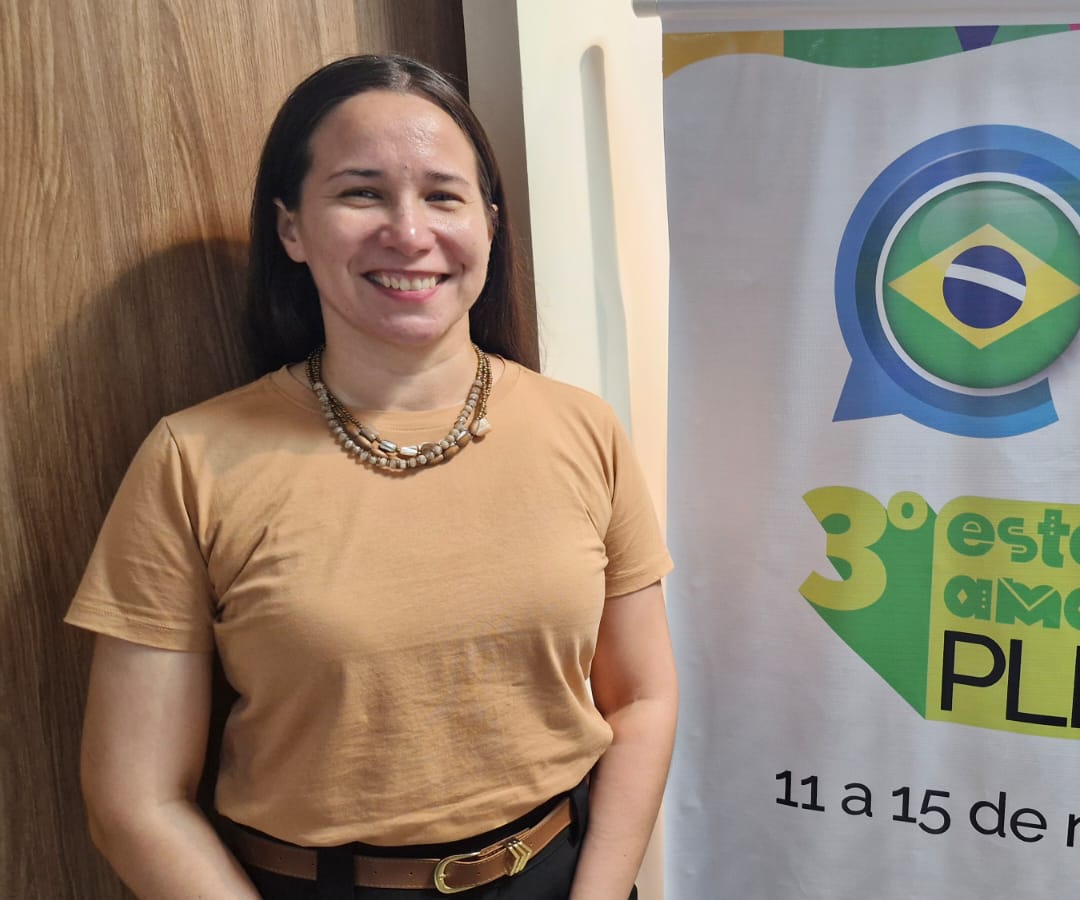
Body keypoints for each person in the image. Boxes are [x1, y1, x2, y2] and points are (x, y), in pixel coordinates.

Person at [66, 54, 676, 900]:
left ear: (490, 224)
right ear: (291, 229)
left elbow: (640, 699)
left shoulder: (584, 428)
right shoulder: (191, 460)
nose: (410, 233)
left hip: (563, 876)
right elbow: (135, 801)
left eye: (443, 195)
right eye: (361, 193)